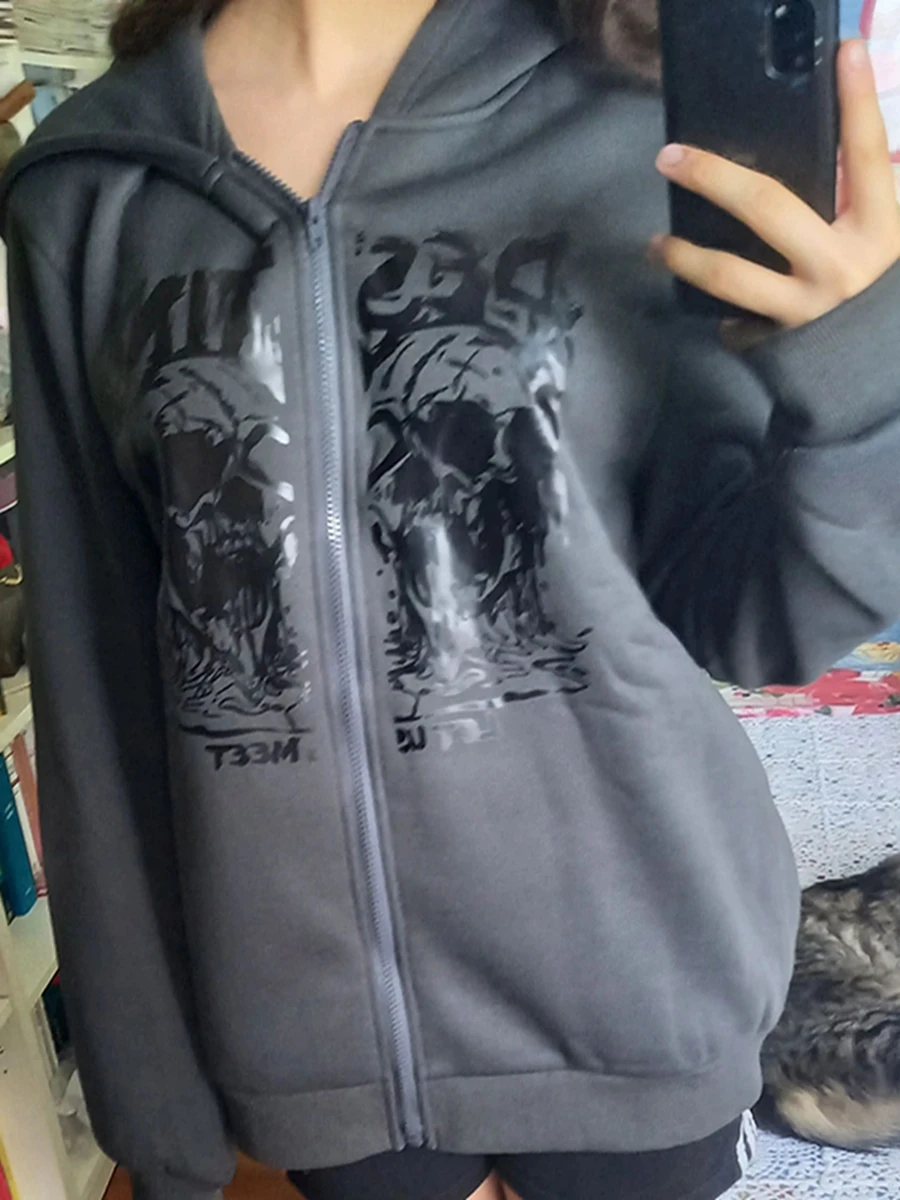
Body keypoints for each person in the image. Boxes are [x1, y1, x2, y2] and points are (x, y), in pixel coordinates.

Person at [3, 1, 899, 1199]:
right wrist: (154, 1112)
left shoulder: (640, 121)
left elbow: (755, 618)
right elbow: (97, 686)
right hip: (316, 1041)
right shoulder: (89, 187)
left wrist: (862, 380)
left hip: (639, 986)